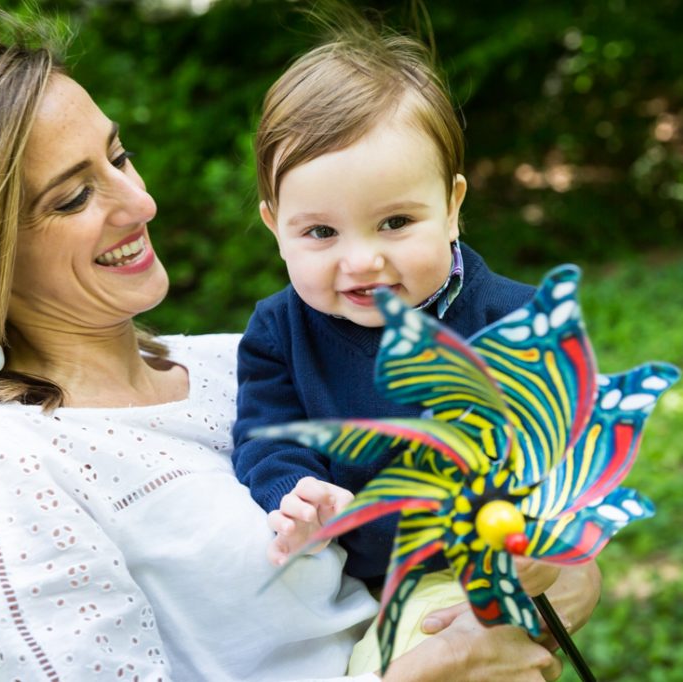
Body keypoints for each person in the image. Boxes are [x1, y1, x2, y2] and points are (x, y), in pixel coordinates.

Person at [0, 16, 591, 682]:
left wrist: (557, 576)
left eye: (119, 158)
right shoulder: (2, 463)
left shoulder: (241, 359)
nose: (141, 204)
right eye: (71, 197)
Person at [230, 11, 602, 673]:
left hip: (477, 570)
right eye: (320, 233)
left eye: (395, 222)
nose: (362, 261)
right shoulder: (278, 333)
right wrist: (299, 491)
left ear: (453, 206)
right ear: (274, 226)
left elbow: (568, 436)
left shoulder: (513, 320)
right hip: (345, 585)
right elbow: (267, 438)